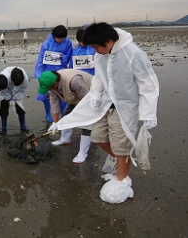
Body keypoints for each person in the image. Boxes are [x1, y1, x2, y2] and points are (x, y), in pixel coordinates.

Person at [51, 23, 159, 203]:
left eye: (95, 46)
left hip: (125, 106)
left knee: (122, 146)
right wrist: (94, 95)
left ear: (108, 41)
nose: (94, 50)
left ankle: (123, 181)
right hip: (106, 102)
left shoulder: (133, 54)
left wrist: (149, 112)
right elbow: (99, 76)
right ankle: (119, 161)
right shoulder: (102, 54)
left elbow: (148, 85)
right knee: (98, 136)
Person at [39, 69, 93, 164]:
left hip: (91, 98)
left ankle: (83, 153)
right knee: (66, 115)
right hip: (74, 98)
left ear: (56, 83)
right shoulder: (51, 85)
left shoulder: (74, 81)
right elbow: (54, 103)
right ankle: (65, 139)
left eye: (49, 88)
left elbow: (87, 100)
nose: (48, 91)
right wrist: (55, 122)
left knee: (87, 125)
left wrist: (79, 114)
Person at [34, 25, 73, 123]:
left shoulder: (68, 42)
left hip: (61, 72)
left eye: (62, 38)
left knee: (63, 95)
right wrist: (39, 76)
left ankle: (64, 117)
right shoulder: (46, 44)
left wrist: (60, 57)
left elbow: (69, 58)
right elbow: (40, 60)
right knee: (48, 95)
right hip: (48, 71)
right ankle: (49, 114)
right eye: (58, 38)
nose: (60, 40)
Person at [0, 67, 29, 134]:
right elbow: (4, 90)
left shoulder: (25, 78)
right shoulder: (4, 77)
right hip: (5, 91)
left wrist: (15, 98)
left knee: (20, 109)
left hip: (17, 93)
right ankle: (3, 127)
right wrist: (9, 98)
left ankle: (23, 125)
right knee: (3, 109)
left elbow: (22, 90)